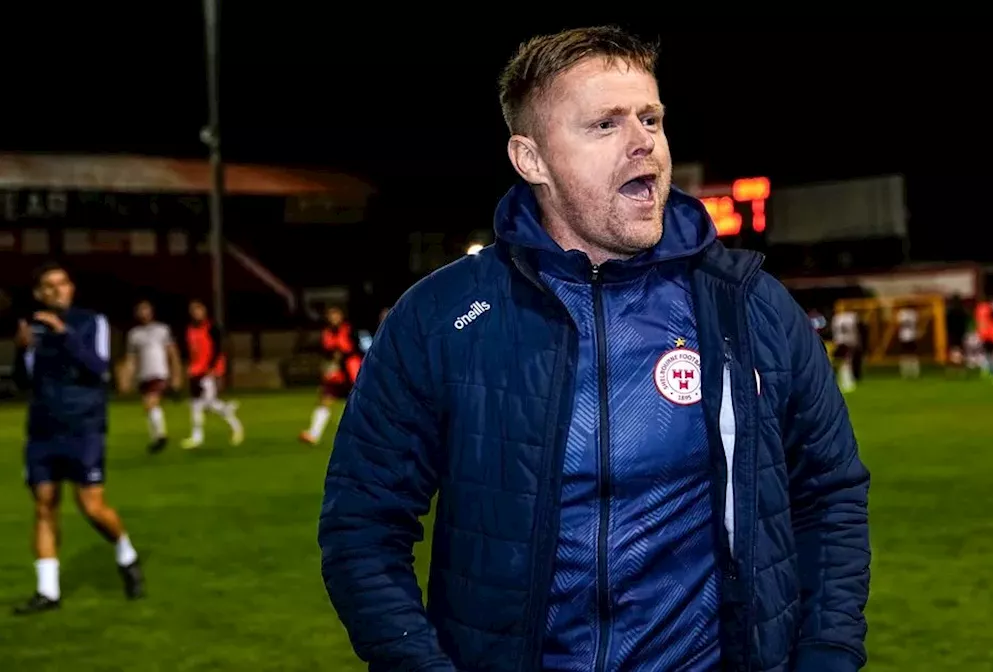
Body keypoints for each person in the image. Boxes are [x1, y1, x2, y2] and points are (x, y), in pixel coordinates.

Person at [319, 26, 870, 672]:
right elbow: (363, 526)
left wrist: (828, 654)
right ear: (531, 160)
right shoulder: (443, 319)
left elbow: (829, 492)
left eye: (651, 117)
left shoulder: (749, 309)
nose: (644, 142)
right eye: (605, 125)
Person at [12, 262, 144, 614]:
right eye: (48, 286)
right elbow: (24, 383)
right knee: (44, 504)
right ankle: (47, 592)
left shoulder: (91, 322)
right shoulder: (31, 328)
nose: (57, 290)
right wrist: (19, 350)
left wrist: (64, 333)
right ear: (39, 293)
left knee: (92, 507)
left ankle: (126, 553)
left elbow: (99, 369)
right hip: (42, 429)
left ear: (72, 288)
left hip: (83, 426)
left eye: (63, 283)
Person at [180, 299, 244, 449]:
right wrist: (189, 367)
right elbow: (191, 350)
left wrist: (215, 369)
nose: (196, 313)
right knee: (196, 405)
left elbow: (218, 350)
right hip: (195, 371)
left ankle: (236, 425)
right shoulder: (189, 329)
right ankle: (197, 437)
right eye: (194, 310)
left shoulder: (212, 328)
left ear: (204, 311)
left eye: (199, 309)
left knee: (209, 403)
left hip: (208, 370)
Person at [125, 299, 182, 453]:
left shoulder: (162, 329)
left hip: (159, 373)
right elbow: (131, 359)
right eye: (141, 310)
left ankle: (161, 436)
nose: (144, 313)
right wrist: (128, 377)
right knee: (148, 407)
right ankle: (157, 437)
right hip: (144, 374)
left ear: (151, 311)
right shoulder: (134, 334)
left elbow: (173, 353)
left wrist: (176, 376)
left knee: (151, 403)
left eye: (146, 309)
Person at [299, 305, 362, 445]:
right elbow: (326, 352)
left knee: (357, 405)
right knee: (325, 399)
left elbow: (357, 348)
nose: (333, 318)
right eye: (331, 315)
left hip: (352, 371)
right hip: (337, 373)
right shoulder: (327, 332)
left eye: (336, 314)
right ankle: (313, 434)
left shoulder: (350, 329)